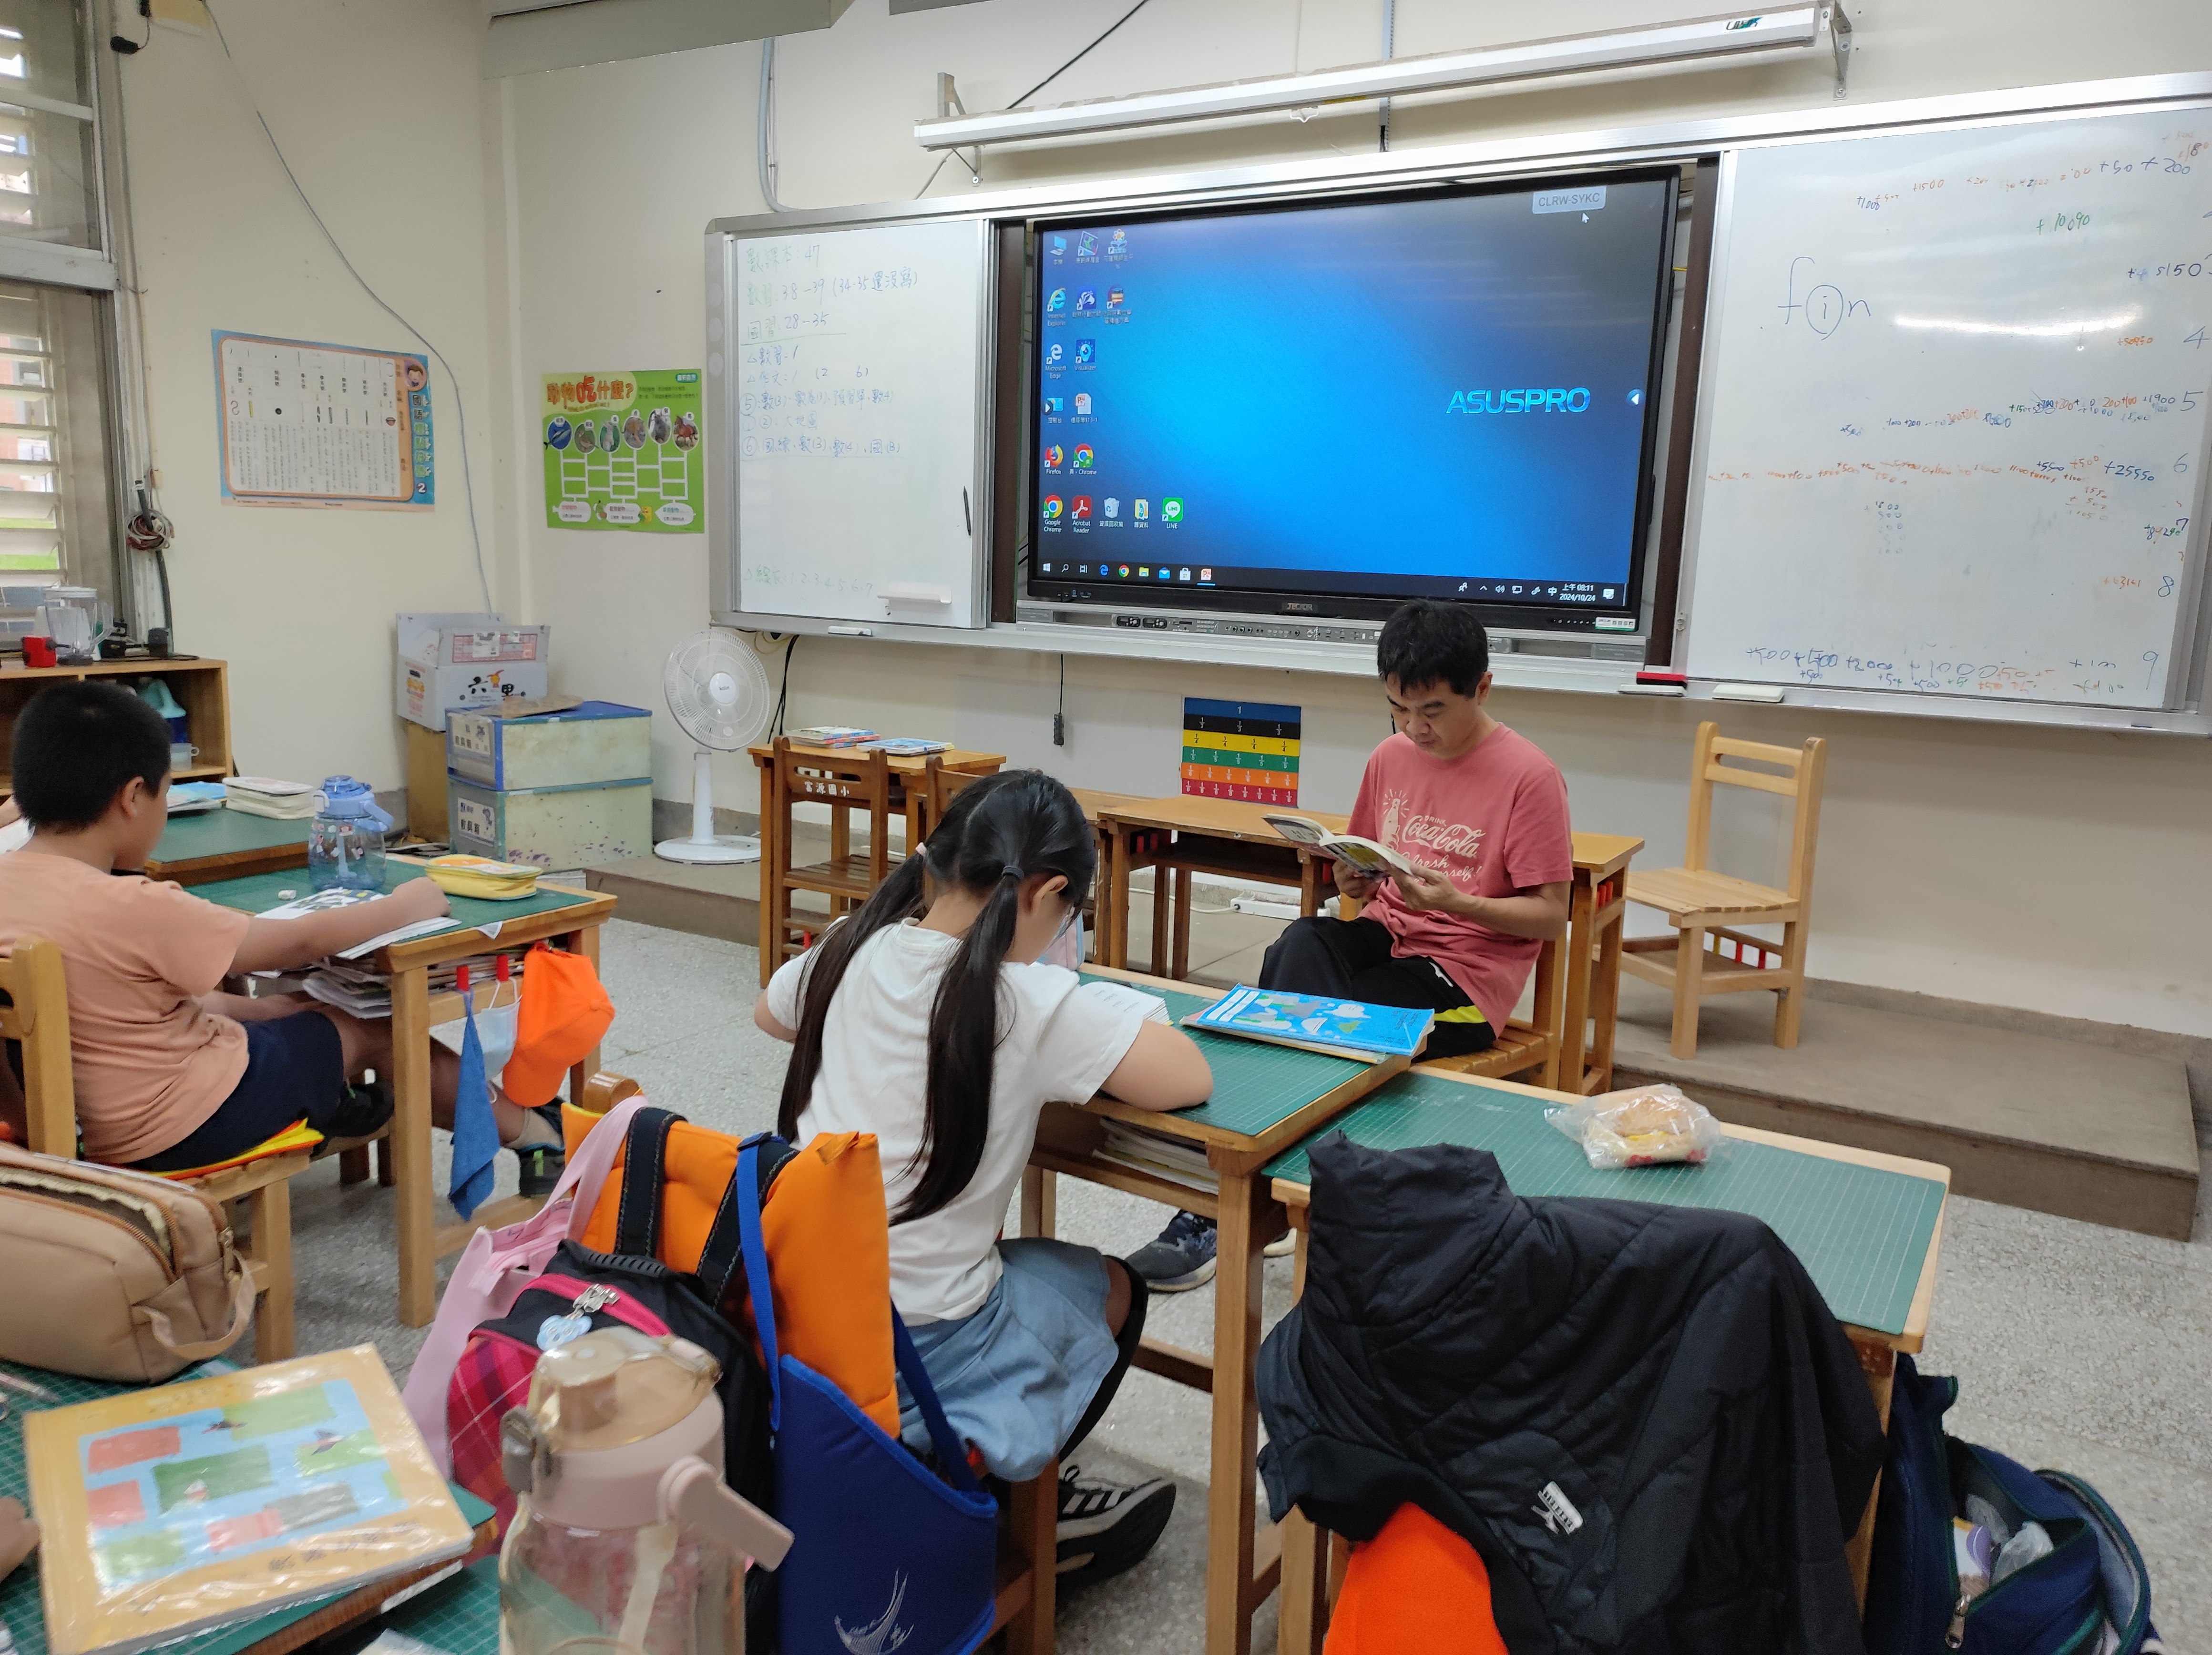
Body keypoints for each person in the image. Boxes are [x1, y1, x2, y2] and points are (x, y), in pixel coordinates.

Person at [754, 769, 1213, 1586]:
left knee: (1006, 1263)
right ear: (1050, 893)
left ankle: (974, 1490)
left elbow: (770, 1010)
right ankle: (1007, 1514)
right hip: (923, 1347)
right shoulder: (1027, 999)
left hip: (794, 1315)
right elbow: (1188, 1076)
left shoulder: (852, 945)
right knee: (1113, 1286)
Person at [1128, 599, 1572, 1292]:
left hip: (1462, 976)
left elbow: (1550, 917)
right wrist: (1350, 877)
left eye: (1432, 710)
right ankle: (1254, 1189)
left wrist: (1455, 902)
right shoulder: (1390, 756)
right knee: (1298, 947)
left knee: (1336, 1016)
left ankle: (1252, 1199)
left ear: (1482, 688)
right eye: (1398, 709)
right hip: (1386, 932)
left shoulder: (1529, 776)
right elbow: (1362, 866)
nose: (1415, 728)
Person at [0, 682, 567, 1190]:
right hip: (183, 1128)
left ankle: (339, 1101)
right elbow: (295, 944)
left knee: (290, 1012)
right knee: (375, 1027)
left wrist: (271, 1012)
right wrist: (404, 904)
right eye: (165, 793)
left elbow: (135, 1008)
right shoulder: (134, 905)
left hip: (77, 1129)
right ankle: (533, 1131)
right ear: (131, 797)